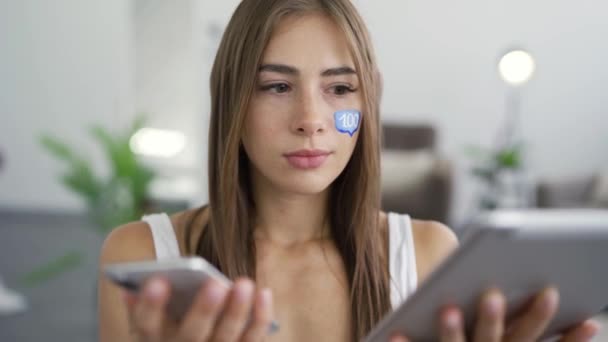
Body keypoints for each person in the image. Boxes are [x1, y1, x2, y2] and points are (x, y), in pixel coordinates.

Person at [98, 0, 600, 341]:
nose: (311, 122)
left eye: (340, 89)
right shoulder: (143, 256)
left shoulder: (427, 257)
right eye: (276, 86)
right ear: (231, 100)